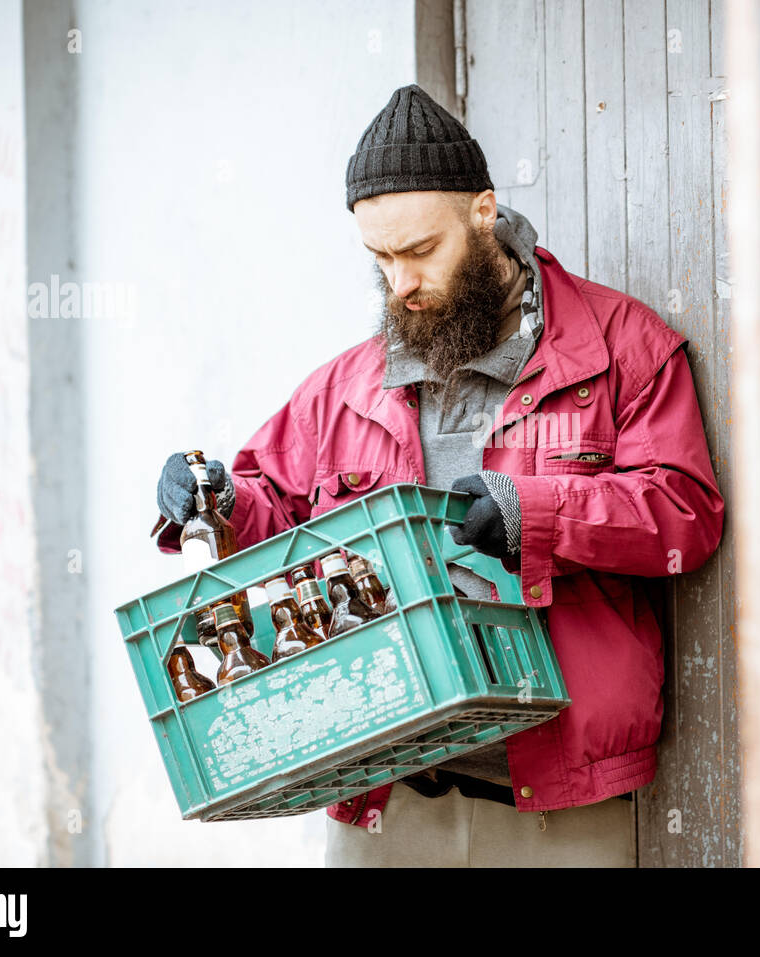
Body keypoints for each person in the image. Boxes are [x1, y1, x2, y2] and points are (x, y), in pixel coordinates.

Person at [153, 84, 725, 867]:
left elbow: (683, 515)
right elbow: (273, 508)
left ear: (484, 213)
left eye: (420, 251)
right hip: (385, 802)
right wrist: (215, 501)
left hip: (562, 813)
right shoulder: (342, 388)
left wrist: (533, 513)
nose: (400, 284)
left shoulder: (622, 347)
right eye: (380, 258)